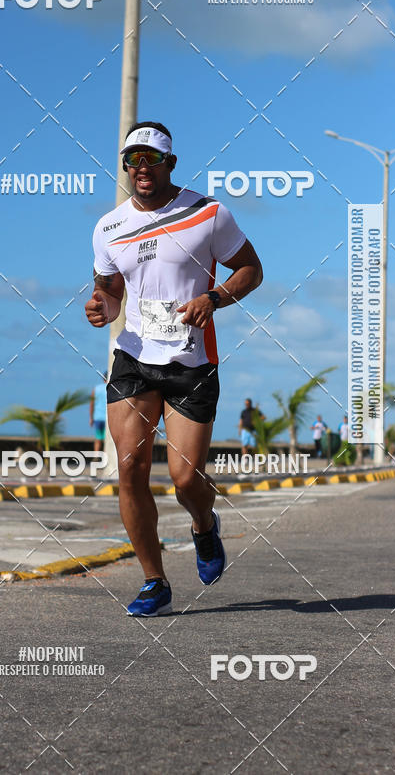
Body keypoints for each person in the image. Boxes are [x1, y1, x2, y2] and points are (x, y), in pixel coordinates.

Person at [85, 121, 263, 616]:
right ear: (125, 167)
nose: (142, 168)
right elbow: (111, 289)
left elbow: (251, 269)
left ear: (171, 164)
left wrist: (214, 297)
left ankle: (204, 527)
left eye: (152, 159)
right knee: (130, 470)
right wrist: (101, 304)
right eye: (132, 160)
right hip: (134, 360)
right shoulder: (108, 227)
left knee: (186, 480)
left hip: (191, 362)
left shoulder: (208, 213)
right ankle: (153, 580)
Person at [89, 373, 108, 452]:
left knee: (98, 438)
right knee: (107, 439)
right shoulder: (112, 389)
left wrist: (91, 418)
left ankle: (96, 455)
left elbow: (92, 405)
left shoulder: (96, 389)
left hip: (98, 417)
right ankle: (105, 456)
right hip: (108, 418)